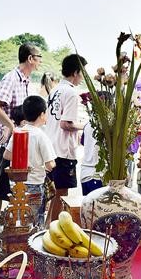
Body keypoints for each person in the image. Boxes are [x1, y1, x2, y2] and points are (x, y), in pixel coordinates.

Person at [0, 42, 42, 240]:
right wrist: (11, 126)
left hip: (22, 143)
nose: (40, 62)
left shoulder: (26, 81)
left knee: (17, 185)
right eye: (39, 57)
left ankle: (11, 225)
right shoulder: (12, 78)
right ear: (30, 58)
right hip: (9, 144)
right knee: (1, 185)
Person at [44, 54, 86, 222]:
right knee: (61, 194)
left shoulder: (55, 89)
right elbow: (66, 124)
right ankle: (52, 228)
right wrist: (85, 126)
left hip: (50, 146)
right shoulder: (71, 92)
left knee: (53, 193)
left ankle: (47, 224)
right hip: (62, 149)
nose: (83, 76)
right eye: (82, 72)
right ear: (75, 72)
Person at [4, 95, 56, 226]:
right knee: (35, 220)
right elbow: (50, 164)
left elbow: (7, 155)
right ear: (42, 114)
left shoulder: (18, 132)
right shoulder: (41, 136)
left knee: (20, 218)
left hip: (16, 183)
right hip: (35, 184)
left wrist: (23, 159)